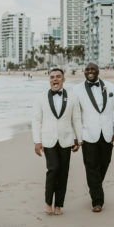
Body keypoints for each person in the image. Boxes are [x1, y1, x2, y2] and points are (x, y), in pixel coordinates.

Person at [32, 68, 82, 215]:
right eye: (52, 77)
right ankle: (48, 202)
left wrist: (79, 139)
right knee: (53, 169)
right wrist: (37, 141)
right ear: (49, 80)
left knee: (64, 173)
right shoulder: (40, 98)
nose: (55, 79)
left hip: (66, 140)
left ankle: (59, 204)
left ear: (63, 79)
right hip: (48, 140)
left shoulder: (72, 97)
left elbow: (76, 119)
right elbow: (36, 120)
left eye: (58, 77)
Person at [74, 62, 114, 213]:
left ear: (98, 71)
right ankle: (97, 200)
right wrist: (76, 136)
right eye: (87, 69)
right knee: (91, 166)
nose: (90, 71)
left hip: (107, 134)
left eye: (93, 69)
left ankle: (95, 187)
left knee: (104, 163)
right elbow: (75, 115)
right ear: (84, 72)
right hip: (88, 134)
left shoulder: (111, 87)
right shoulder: (76, 90)